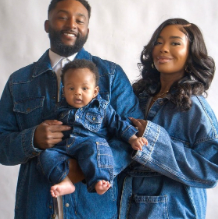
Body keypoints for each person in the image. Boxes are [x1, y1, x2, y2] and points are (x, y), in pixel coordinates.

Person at [0, 0, 142, 219]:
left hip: (95, 218)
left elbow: (132, 139)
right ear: (47, 25)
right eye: (62, 17)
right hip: (34, 218)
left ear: (87, 30)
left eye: (80, 20)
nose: (71, 24)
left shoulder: (111, 75)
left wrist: (88, 169)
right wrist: (32, 140)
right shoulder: (19, 81)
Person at [119, 19, 218, 219]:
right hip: (130, 215)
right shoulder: (139, 97)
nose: (163, 48)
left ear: (190, 54)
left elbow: (212, 169)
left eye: (175, 43)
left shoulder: (193, 106)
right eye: (158, 42)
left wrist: (153, 140)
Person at [39, 59, 146, 198]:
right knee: (46, 155)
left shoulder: (101, 108)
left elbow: (119, 124)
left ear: (95, 91)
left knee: (98, 148)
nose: (77, 93)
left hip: (88, 144)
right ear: (64, 90)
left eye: (84, 88)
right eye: (71, 88)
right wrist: (46, 127)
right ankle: (65, 181)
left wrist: (133, 139)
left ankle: (100, 179)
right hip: (65, 147)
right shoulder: (59, 108)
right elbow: (47, 124)